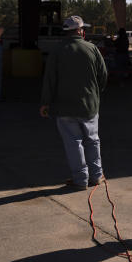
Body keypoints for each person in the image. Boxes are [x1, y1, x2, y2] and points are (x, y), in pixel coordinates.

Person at [40, 15, 108, 190]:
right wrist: (95, 94)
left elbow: (49, 80)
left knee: (73, 143)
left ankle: (80, 180)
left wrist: (45, 103)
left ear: (66, 32)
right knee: (93, 140)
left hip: (65, 107)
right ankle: (97, 175)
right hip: (90, 106)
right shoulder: (92, 49)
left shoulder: (56, 51)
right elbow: (103, 76)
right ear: (80, 31)